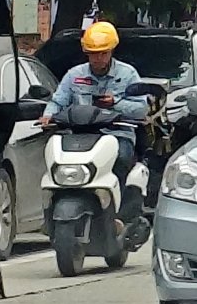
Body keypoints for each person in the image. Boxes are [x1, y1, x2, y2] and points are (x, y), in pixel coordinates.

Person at [38, 22, 150, 190]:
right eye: (93, 54)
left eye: (103, 54)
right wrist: (48, 116)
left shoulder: (128, 74)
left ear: (112, 51)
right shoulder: (74, 75)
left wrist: (116, 103)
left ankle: (117, 207)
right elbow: (58, 101)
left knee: (121, 158)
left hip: (117, 135)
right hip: (78, 135)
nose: (98, 59)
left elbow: (142, 109)